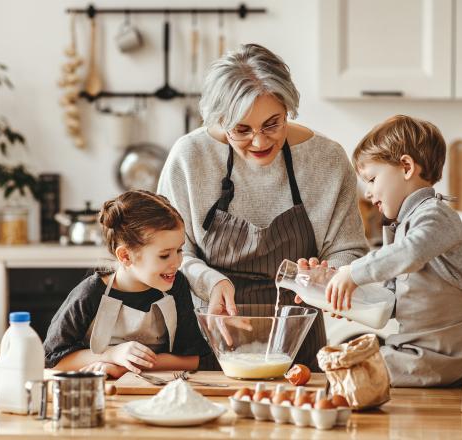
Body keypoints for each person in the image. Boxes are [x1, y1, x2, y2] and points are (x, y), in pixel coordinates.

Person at [157, 43, 368, 371]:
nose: (259, 142)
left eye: (272, 124)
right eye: (241, 130)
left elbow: (349, 250)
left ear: (288, 108)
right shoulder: (189, 157)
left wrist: (329, 275)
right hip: (211, 337)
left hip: (299, 343)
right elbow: (170, 254)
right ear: (219, 120)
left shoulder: (327, 160)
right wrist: (212, 282)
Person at [325, 115, 462, 387]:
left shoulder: (435, 215)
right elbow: (391, 298)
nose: (369, 193)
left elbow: (410, 252)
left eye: (372, 179)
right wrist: (351, 299)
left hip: (444, 351)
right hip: (418, 346)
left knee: (350, 370)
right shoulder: (401, 225)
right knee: (348, 365)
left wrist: (353, 272)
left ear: (406, 166)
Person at [43, 190, 209, 378]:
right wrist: (112, 354)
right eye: (164, 255)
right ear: (126, 256)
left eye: (179, 250)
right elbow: (52, 360)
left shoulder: (176, 285)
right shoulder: (90, 293)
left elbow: (194, 359)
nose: (177, 262)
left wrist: (125, 367)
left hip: (160, 391)